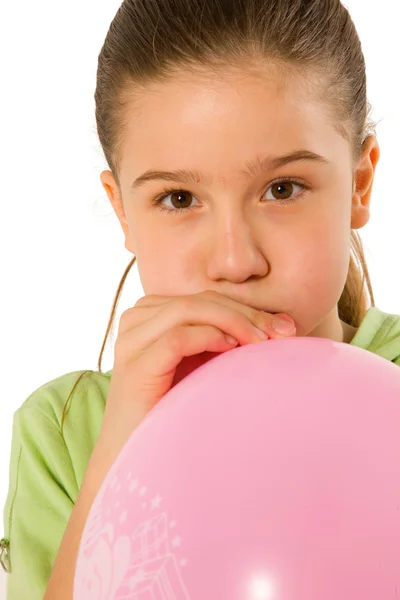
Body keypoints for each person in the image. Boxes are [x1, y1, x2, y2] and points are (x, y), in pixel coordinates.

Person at [2, 0, 400, 597]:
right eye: (179, 200)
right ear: (123, 212)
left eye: (282, 188)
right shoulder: (65, 433)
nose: (236, 262)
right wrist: (119, 447)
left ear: (359, 185)